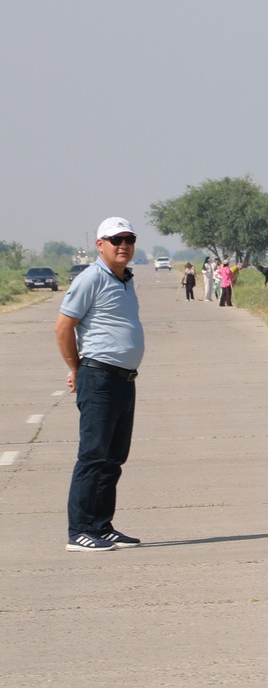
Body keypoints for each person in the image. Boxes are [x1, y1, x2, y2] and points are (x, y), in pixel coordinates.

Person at [54, 218, 146, 552]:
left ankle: (101, 525)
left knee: (113, 458)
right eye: (116, 239)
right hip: (100, 378)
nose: (123, 245)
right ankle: (78, 530)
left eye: (129, 238)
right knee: (92, 456)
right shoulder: (91, 278)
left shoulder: (125, 279)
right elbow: (64, 326)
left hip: (123, 380)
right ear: (100, 244)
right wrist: (76, 368)